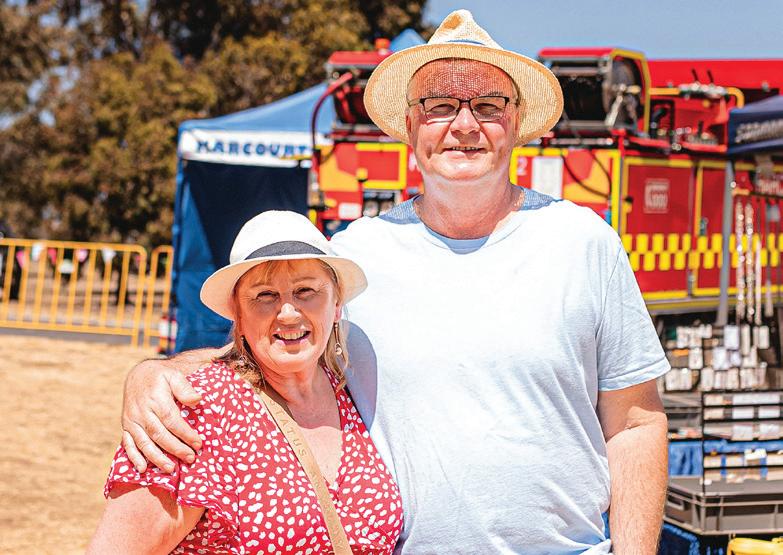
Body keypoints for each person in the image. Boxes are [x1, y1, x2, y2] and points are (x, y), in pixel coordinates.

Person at [119, 10, 669, 554]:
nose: (464, 125)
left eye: (488, 105)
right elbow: (274, 348)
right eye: (439, 106)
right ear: (409, 125)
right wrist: (155, 373)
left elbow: (637, 423)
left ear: (517, 120)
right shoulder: (357, 255)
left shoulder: (584, 242)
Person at [89, 211, 403, 554]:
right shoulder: (196, 411)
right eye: (265, 295)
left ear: (337, 303)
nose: (288, 313)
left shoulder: (354, 390)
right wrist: (146, 371)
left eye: (306, 290)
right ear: (237, 313)